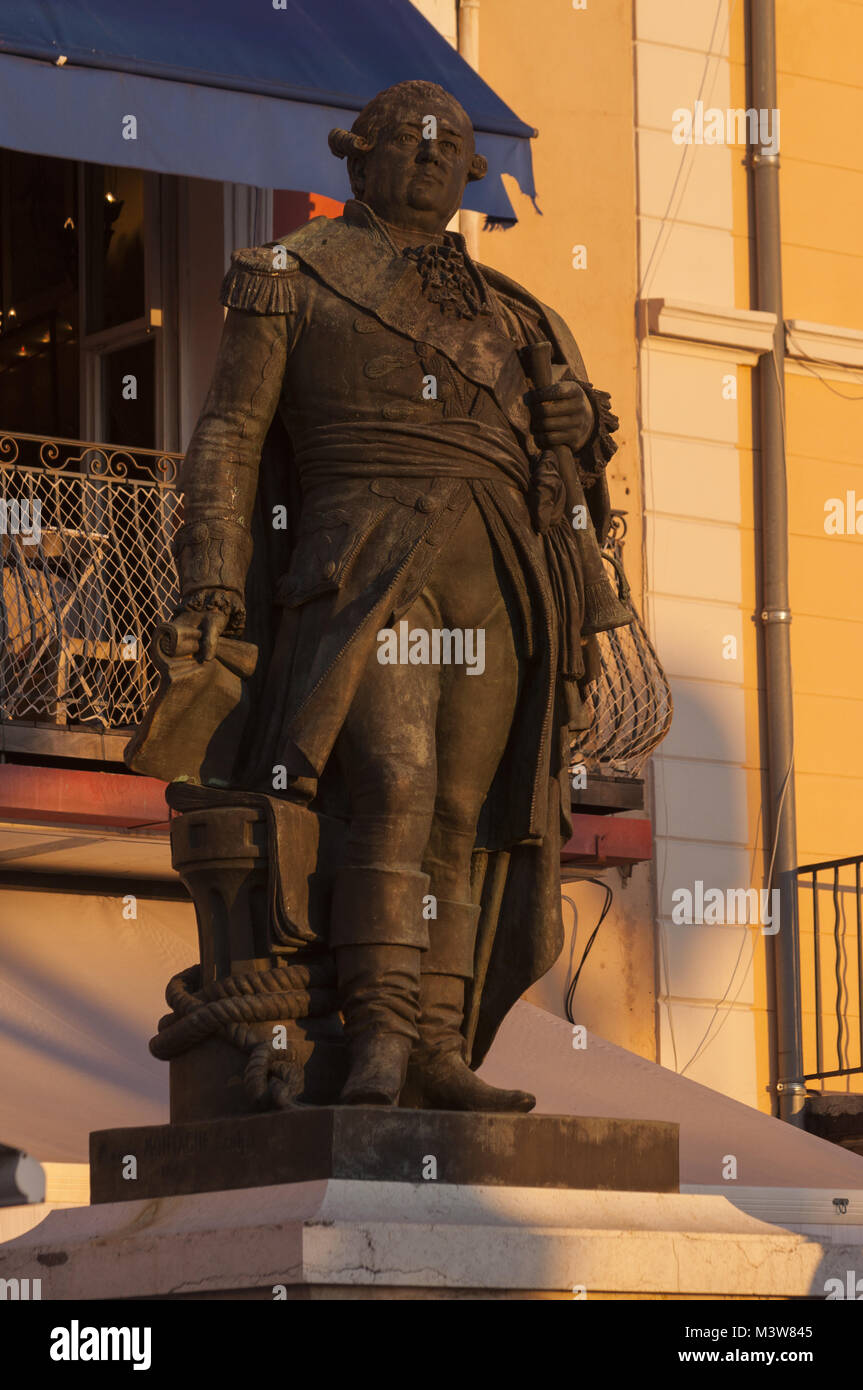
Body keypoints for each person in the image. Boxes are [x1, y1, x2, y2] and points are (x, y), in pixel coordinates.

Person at [166, 80, 625, 1112]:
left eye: (448, 144)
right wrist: (207, 568)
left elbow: (572, 472)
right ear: (357, 157)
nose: (427, 154)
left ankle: (435, 1047)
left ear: (468, 174)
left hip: (500, 566)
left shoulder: (517, 315)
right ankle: (374, 1034)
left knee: (466, 810)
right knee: (392, 782)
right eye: (407, 139)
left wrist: (571, 426)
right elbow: (232, 433)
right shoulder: (289, 275)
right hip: (363, 553)